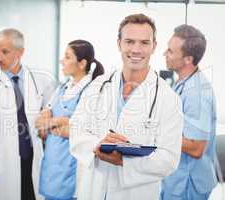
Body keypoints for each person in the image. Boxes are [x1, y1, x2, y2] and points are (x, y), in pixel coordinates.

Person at [69, 14, 184, 200]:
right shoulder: (98, 86)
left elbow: (169, 159)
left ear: (154, 46)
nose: (136, 49)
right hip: (93, 190)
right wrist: (98, 144)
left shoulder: (168, 99)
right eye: (129, 41)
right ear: (119, 43)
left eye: (144, 43)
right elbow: (76, 130)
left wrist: (123, 161)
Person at [0, 28, 55, 200]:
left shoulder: (40, 81)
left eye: (5, 52)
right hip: (0, 163)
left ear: (20, 52)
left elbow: (50, 110)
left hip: (33, 160)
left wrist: (47, 120)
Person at [35, 39, 104, 200]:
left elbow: (79, 128)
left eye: (67, 57)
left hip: (72, 165)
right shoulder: (63, 88)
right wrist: (59, 121)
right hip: (53, 163)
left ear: (82, 63)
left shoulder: (92, 91)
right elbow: (42, 119)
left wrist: (55, 123)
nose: (62, 61)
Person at [160, 24, 217, 200]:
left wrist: (155, 135)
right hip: (177, 179)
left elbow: (196, 147)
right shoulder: (182, 83)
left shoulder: (196, 92)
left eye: (170, 51)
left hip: (187, 184)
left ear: (188, 59)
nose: (164, 53)